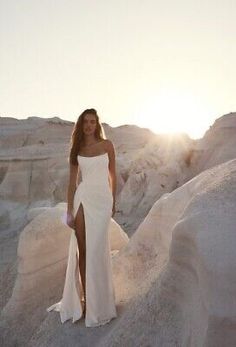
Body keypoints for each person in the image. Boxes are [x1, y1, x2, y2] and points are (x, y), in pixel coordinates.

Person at [47, 108, 117, 327]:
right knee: (83, 251)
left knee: (97, 250)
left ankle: (101, 300)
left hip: (102, 201)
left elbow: (113, 175)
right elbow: (72, 183)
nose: (89, 125)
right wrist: (69, 210)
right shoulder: (77, 149)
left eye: (93, 122)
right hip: (83, 200)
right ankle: (86, 300)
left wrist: (112, 201)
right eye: (86, 121)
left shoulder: (107, 145)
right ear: (81, 124)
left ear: (97, 124)